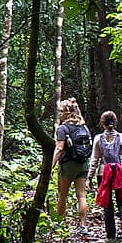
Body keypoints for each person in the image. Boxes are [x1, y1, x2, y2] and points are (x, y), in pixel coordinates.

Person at [88, 112, 122, 240]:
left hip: (104, 171)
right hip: (119, 170)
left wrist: (90, 177)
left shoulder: (98, 139)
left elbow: (95, 159)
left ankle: (111, 235)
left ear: (102, 123)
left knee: (107, 202)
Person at [51, 98, 93, 230]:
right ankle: (83, 225)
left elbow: (59, 148)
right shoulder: (84, 127)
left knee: (62, 195)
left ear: (68, 113)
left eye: (61, 111)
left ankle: (59, 225)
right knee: (81, 195)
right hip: (83, 164)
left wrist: (50, 166)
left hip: (68, 165)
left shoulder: (62, 128)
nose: (59, 114)